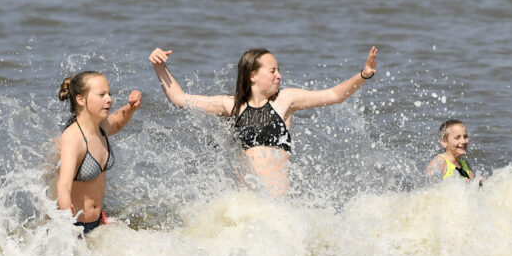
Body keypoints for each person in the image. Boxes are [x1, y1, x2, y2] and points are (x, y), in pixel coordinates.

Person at [149, 46, 377, 195]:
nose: (279, 75)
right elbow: (180, 98)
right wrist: (159, 65)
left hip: (276, 208)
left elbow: (335, 95)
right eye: (273, 70)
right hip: (247, 208)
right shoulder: (231, 105)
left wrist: (364, 74)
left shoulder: (286, 100)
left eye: (279, 70)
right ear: (253, 75)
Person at [56, 71, 142, 234]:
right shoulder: (73, 139)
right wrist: (65, 212)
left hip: (99, 221)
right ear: (80, 99)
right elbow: (63, 184)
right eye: (102, 95)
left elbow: (116, 122)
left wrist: (131, 107)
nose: (109, 99)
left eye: (109, 94)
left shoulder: (100, 127)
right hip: (75, 228)